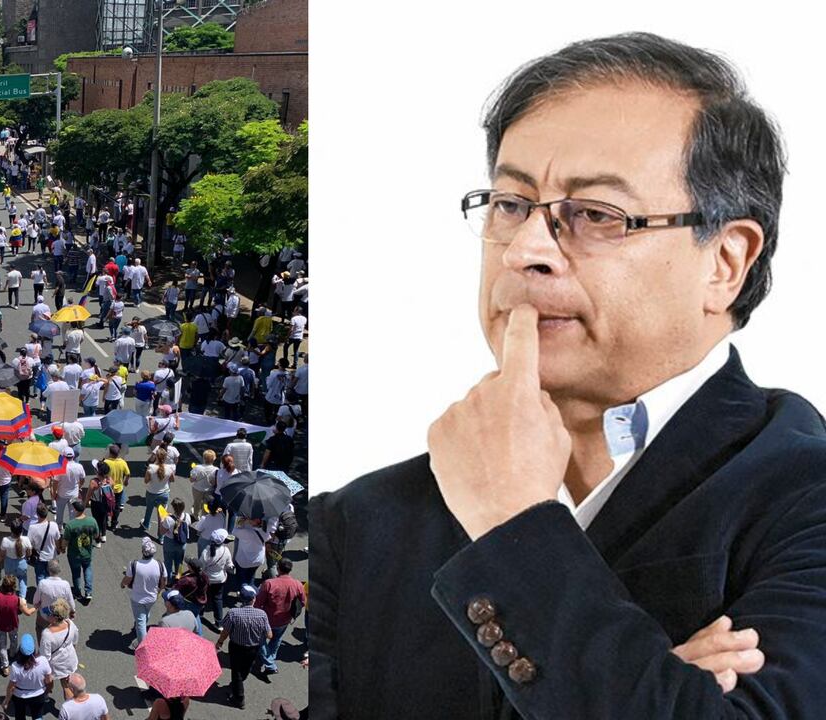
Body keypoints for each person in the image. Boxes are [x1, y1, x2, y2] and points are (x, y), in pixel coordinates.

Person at [308, 31, 826, 718]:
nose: (525, 250)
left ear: (725, 262)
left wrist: (513, 525)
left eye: (595, 215)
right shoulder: (354, 526)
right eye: (510, 205)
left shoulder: (804, 498)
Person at [215, 584, 271, 709]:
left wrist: (220, 642)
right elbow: (269, 635)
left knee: (236, 672)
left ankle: (239, 699)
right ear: (254, 599)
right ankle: (238, 683)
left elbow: (225, 631)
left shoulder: (233, 613)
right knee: (246, 668)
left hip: (236, 647)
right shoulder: (262, 614)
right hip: (253, 648)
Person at [254, 558, 306, 675]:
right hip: (285, 620)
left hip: (267, 619)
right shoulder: (297, 584)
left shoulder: (269, 584)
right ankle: (270, 660)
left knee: (260, 640)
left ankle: (270, 664)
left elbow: (258, 603)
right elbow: (302, 602)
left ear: (278, 568)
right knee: (276, 640)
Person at [122, 538, 168, 647]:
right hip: (152, 598)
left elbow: (127, 579)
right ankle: (140, 628)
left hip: (137, 599)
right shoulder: (160, 564)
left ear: (143, 551)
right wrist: (159, 590)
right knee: (145, 614)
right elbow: (164, 582)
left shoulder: (134, 564)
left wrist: (122, 584)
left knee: (140, 623)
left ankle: (143, 646)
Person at [0, 575, 36, 675]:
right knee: (14, 640)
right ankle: (12, 653)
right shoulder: (17, 599)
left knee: (2, 646)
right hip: (12, 624)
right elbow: (28, 612)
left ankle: (5, 666)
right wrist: (36, 607)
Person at [1, 634, 52, 720]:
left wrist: (6, 701)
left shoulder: (15, 666)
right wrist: (46, 691)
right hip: (39, 694)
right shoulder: (43, 661)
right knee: (37, 715)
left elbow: (11, 687)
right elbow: (49, 680)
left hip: (20, 697)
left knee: (20, 716)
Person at [39, 598, 80, 702]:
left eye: (49, 614)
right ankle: (70, 708)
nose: (47, 615)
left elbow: (45, 657)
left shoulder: (47, 634)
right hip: (69, 659)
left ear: (55, 618)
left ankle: (45, 695)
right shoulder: (70, 623)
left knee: (48, 680)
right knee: (66, 686)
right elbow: (75, 639)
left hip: (55, 664)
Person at [199, 528, 234, 627]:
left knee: (203, 596)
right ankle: (219, 623)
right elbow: (229, 565)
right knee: (217, 599)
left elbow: (201, 566)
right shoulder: (226, 550)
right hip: (220, 579)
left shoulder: (206, 552)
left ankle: (199, 615)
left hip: (207, 578)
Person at [141, 447, 174, 536]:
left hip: (151, 492)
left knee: (149, 509)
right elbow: (172, 480)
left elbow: (146, 481)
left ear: (156, 456)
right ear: (165, 457)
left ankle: (146, 524)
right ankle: (161, 536)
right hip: (164, 493)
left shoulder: (151, 467)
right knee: (162, 515)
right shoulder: (170, 468)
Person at [0, 519, 33, 600]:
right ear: (21, 530)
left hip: (9, 564)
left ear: (11, 530)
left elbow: (1, 555)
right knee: (22, 579)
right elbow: (29, 553)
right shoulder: (26, 540)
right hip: (22, 563)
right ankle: (22, 599)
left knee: (9, 581)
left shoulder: (5, 540)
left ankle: (9, 597)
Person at [159, 498, 193, 580]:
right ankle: (179, 577)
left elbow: (162, 532)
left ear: (174, 508)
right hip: (182, 542)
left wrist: (162, 520)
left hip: (170, 542)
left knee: (168, 562)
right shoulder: (187, 516)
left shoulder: (168, 519)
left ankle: (169, 580)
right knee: (179, 562)